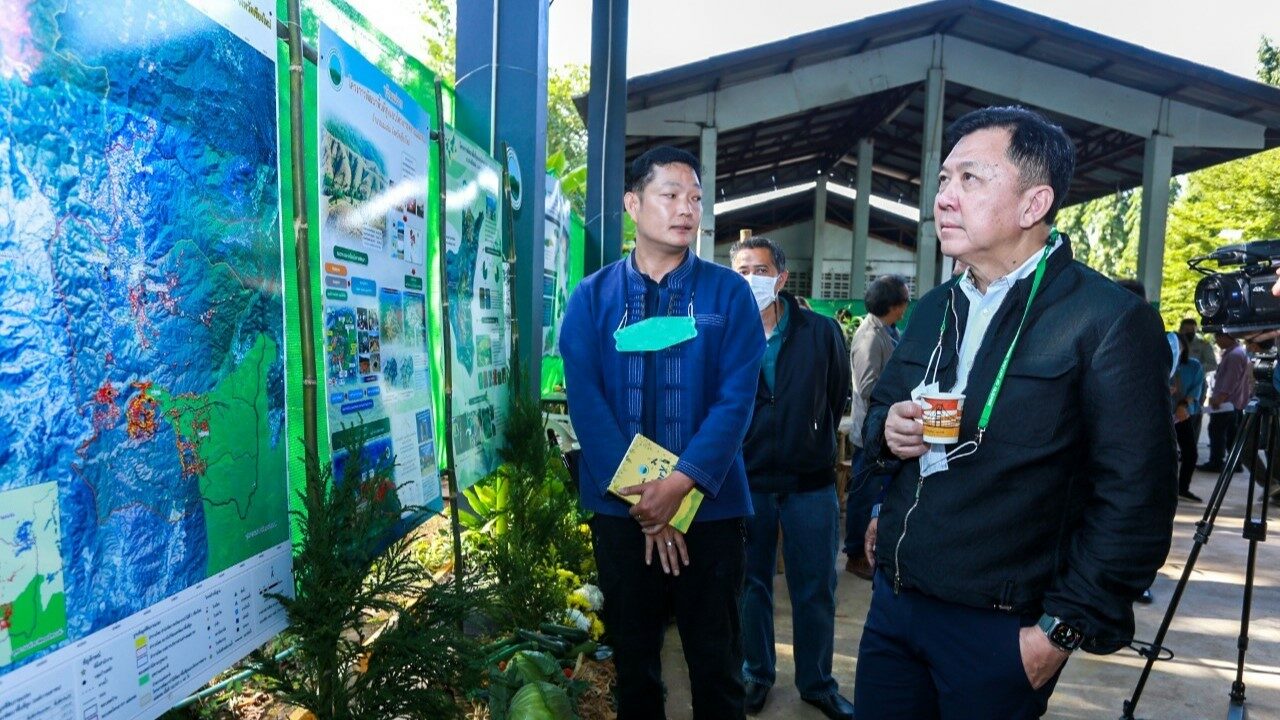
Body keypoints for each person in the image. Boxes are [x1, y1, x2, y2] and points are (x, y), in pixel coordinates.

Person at [854, 106, 1177, 719]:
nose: (944, 197)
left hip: (1000, 631)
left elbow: (1136, 500)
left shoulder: (1105, 320)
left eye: (970, 179)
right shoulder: (932, 310)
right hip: (895, 609)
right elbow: (875, 422)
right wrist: (887, 434)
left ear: (1034, 205)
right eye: (944, 179)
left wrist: (1057, 635)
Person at [560, 146, 765, 719]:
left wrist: (677, 488)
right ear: (633, 203)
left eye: (695, 198)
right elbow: (589, 404)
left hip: (712, 512)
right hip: (623, 515)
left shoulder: (728, 297)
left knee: (717, 665)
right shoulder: (592, 299)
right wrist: (649, 503)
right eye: (670, 194)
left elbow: (735, 402)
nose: (686, 209)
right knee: (634, 667)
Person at [730, 236, 853, 720]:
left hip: (810, 483)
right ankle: (756, 674)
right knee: (751, 584)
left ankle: (817, 682)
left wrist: (809, 432)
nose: (750, 281)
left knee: (815, 585)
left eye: (759, 271)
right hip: (746, 479)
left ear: (780, 278)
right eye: (740, 271)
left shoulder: (821, 331)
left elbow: (836, 394)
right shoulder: (724, 333)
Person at [844, 275, 910, 580]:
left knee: (876, 491)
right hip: (870, 433)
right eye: (904, 301)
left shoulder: (889, 330)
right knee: (863, 493)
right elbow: (867, 387)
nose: (907, 306)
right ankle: (855, 553)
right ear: (893, 305)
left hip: (885, 430)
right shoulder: (870, 337)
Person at [1198, 333, 1251, 473]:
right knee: (1231, 434)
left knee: (1218, 432)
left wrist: (1219, 398)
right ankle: (1235, 462)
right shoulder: (1236, 353)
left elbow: (1230, 380)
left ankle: (1217, 461)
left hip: (1227, 402)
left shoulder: (1234, 355)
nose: (1217, 341)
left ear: (1226, 337)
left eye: (1218, 337)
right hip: (1232, 402)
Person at [1171, 334, 1206, 502]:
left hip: (1182, 415)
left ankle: (1182, 488)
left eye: (1179, 345)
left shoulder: (1193, 366)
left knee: (1190, 453)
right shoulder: (1156, 364)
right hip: (1160, 415)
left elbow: (1196, 390)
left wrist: (1183, 404)